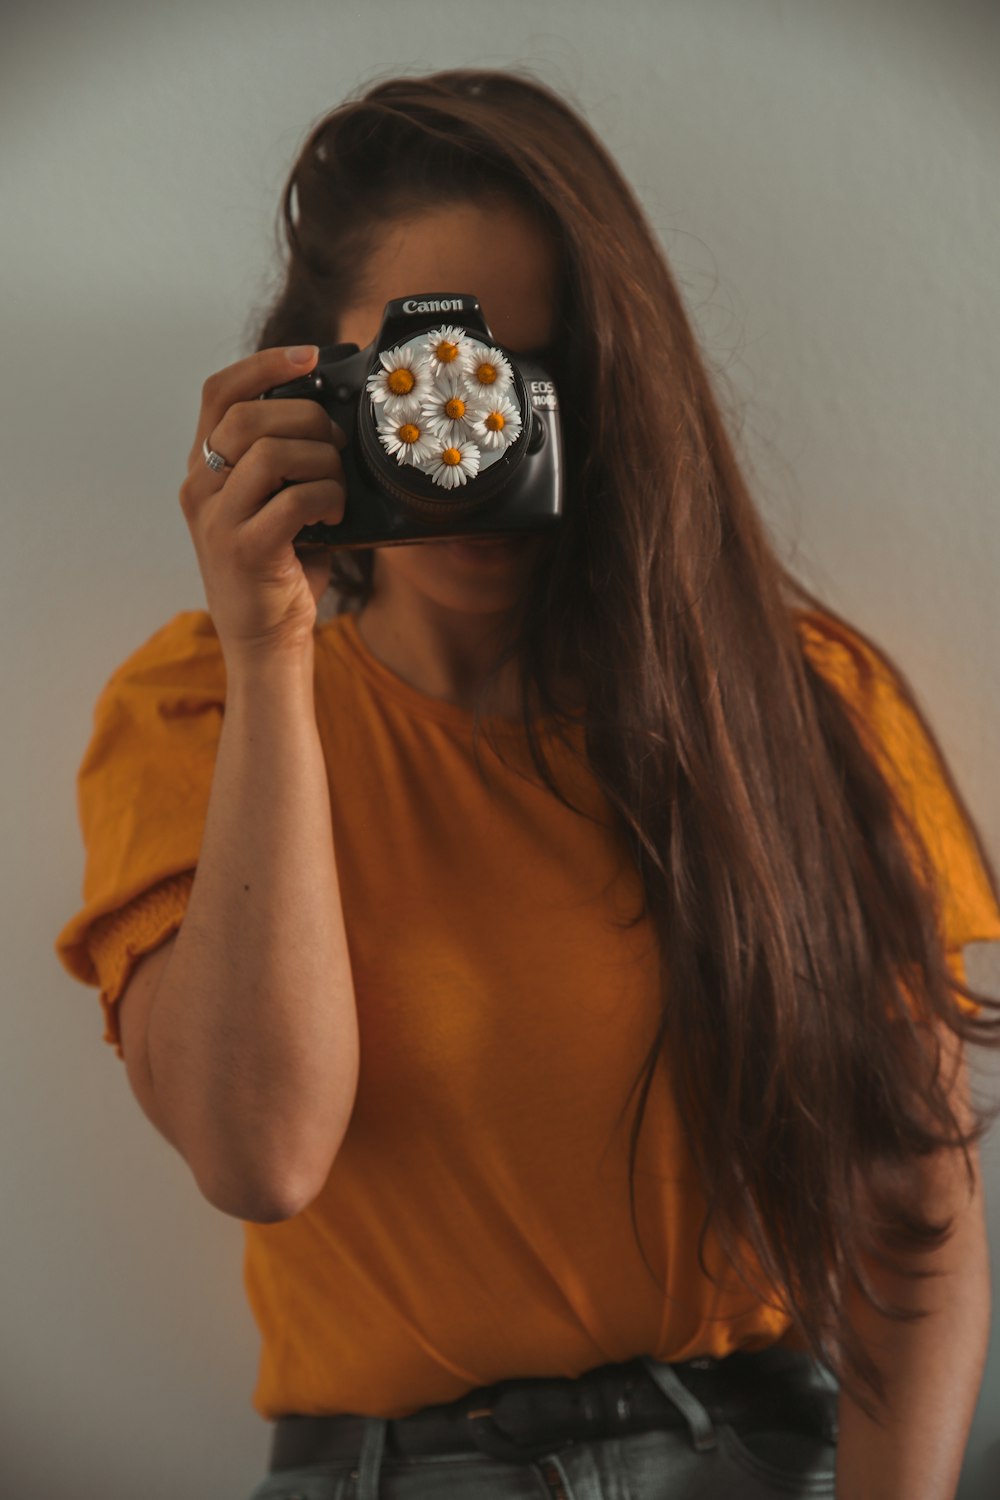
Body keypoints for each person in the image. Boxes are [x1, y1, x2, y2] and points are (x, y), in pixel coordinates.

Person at [54, 69, 1000, 1500]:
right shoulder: (198, 707)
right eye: (428, 385)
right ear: (320, 384)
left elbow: (915, 1210)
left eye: (529, 378)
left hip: (748, 1457)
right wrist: (268, 649)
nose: (475, 435)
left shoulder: (792, 705)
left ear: (620, 392)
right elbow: (264, 1156)